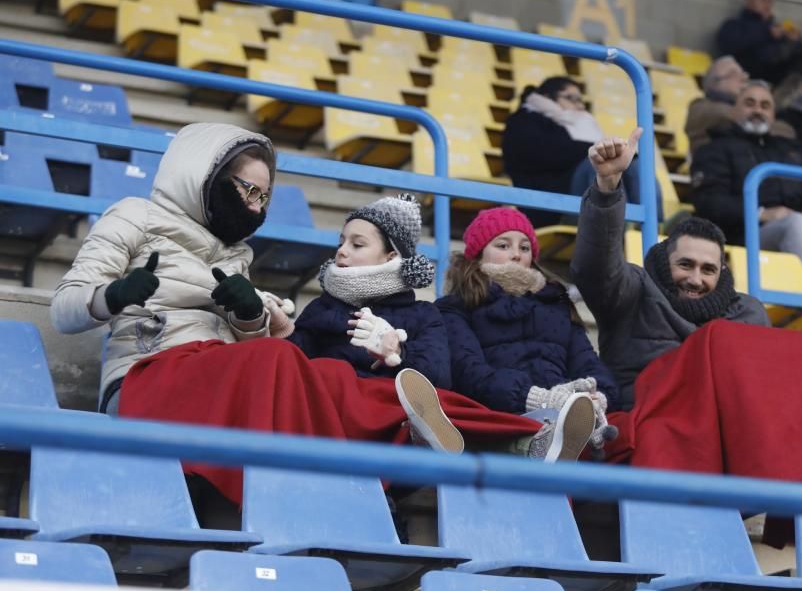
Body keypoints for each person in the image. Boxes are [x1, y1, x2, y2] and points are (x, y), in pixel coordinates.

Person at [48, 124, 577, 508]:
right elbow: (65, 311)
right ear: (204, 173)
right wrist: (113, 297)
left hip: (214, 374)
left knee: (335, 379)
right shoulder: (134, 216)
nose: (254, 204)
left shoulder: (236, 255)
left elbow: (241, 340)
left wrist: (251, 316)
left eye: (263, 194)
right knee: (281, 361)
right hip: (145, 376)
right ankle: (331, 496)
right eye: (243, 188)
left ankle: (518, 434)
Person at [571, 127, 802, 495]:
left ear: (722, 273)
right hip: (654, 417)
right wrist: (607, 185)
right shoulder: (633, 291)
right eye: (685, 265)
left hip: (725, 434)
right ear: (664, 261)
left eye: (708, 269)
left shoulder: (746, 312)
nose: (695, 278)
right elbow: (594, 267)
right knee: (719, 341)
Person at [285, 193, 595, 461]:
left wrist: (399, 352)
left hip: (396, 409)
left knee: (452, 405)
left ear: (392, 255)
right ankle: (429, 435)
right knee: (332, 374)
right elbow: (294, 363)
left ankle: (528, 440)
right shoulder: (321, 309)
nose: (341, 251)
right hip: (347, 411)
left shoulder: (422, 314)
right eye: (341, 242)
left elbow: (438, 376)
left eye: (357, 244)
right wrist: (274, 328)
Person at [436, 207, 618, 458]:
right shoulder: (456, 307)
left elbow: (588, 363)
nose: (516, 255)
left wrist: (597, 397)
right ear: (477, 256)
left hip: (563, 414)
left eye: (524, 248)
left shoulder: (557, 304)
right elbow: (469, 373)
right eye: (503, 246)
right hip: (497, 416)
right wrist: (537, 399)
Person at [689, 80, 802, 291]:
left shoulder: (789, 149)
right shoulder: (714, 149)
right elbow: (709, 202)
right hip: (744, 237)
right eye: (750, 103)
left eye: (765, 106)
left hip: (801, 234)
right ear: (735, 110)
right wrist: (761, 213)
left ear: (773, 115)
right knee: (795, 223)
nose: (758, 110)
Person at [501, 76, 660, 227]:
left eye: (581, 100)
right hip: (552, 207)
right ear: (546, 96)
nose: (580, 106)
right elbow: (548, 153)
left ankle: (653, 229)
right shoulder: (523, 121)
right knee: (597, 164)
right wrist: (597, 151)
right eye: (572, 98)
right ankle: (616, 227)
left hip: (581, 198)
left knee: (638, 165)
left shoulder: (580, 125)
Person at [685, 55, 796, 152]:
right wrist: (763, 118)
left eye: (743, 73)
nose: (744, 78)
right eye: (733, 74)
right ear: (715, 83)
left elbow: (787, 131)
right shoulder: (700, 107)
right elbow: (723, 114)